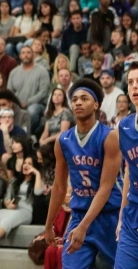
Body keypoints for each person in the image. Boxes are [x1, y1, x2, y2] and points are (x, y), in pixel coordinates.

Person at [44, 78, 122, 269]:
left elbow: (105, 187)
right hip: (79, 214)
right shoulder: (63, 140)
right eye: (75, 99)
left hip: (109, 216)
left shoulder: (110, 137)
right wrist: (48, 225)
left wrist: (84, 226)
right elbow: (60, 186)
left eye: (84, 98)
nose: (78, 102)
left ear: (96, 105)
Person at [116, 62, 138, 268]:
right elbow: (129, 171)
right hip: (133, 214)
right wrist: (122, 216)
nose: (135, 87)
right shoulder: (124, 125)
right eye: (131, 82)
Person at [7, 46, 51, 134]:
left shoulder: (42, 71)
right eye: (23, 53)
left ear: (33, 55)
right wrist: (16, 103)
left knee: (32, 110)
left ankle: (27, 136)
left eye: (28, 53)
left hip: (37, 105)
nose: (26, 55)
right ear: (20, 56)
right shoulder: (14, 72)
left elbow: (43, 92)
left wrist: (28, 103)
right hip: (17, 104)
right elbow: (9, 92)